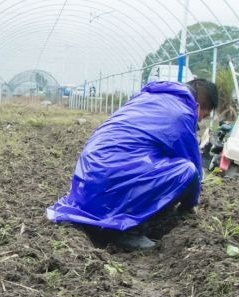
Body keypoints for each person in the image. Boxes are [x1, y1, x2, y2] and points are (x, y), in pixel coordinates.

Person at [48, 77, 219, 252]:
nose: (198, 122)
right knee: (186, 172)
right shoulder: (183, 113)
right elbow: (194, 166)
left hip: (87, 182)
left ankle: (111, 217)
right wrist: (189, 205)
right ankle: (127, 230)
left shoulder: (146, 98)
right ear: (197, 107)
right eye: (202, 117)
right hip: (111, 177)